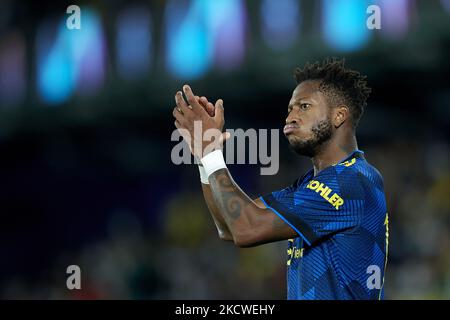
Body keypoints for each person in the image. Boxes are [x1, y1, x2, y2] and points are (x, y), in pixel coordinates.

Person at [172, 58, 388, 300]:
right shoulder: (311, 186)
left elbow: (246, 229)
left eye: (304, 107)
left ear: (339, 116)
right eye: (290, 109)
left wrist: (211, 152)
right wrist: (204, 160)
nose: (290, 118)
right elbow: (228, 227)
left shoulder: (353, 181)